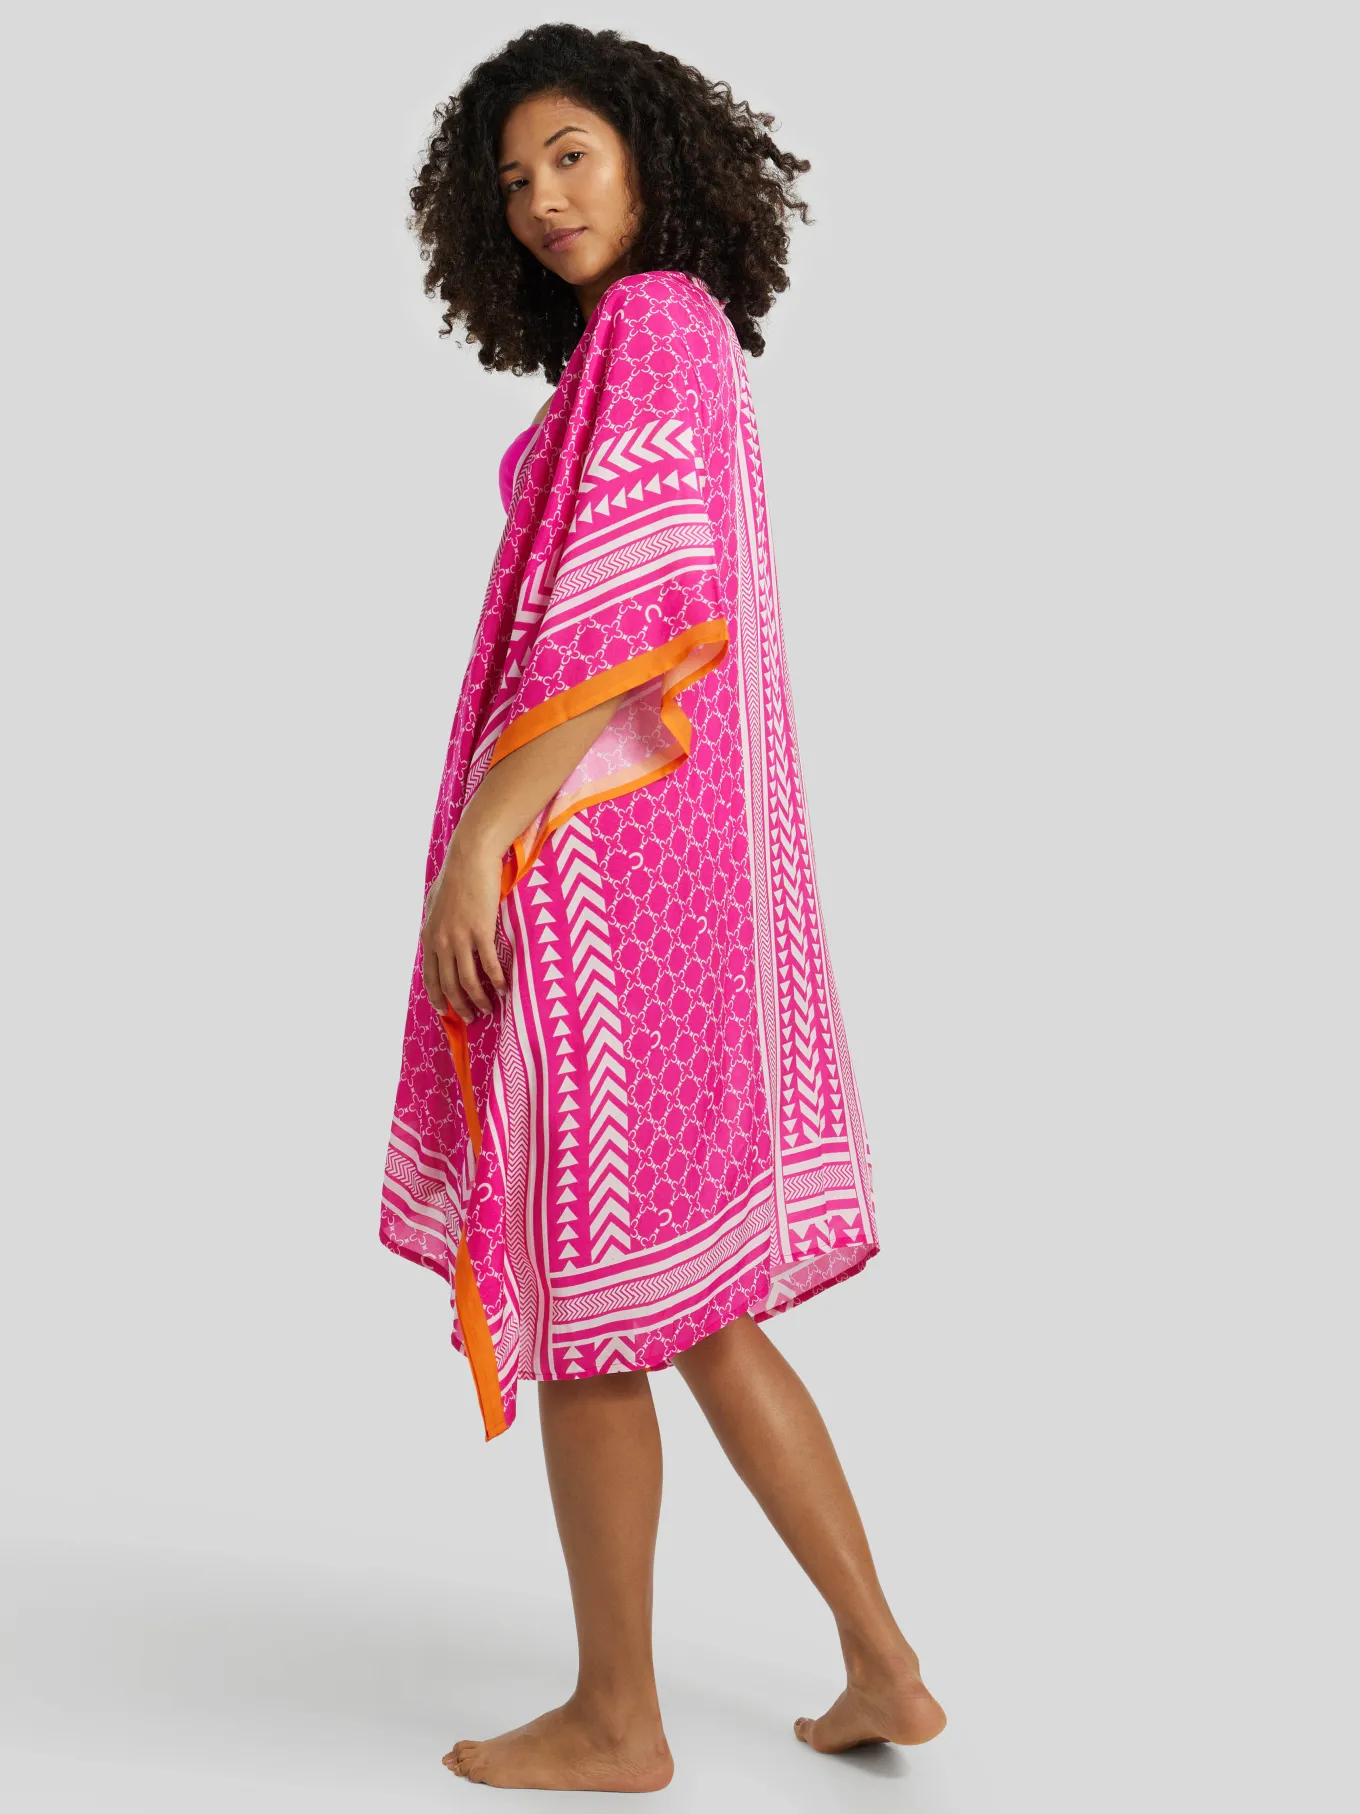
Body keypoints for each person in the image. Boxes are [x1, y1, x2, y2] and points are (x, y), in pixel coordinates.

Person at [380, 23, 946, 1792]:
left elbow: (630, 611)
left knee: (589, 1290)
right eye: (513, 179)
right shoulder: (667, 339)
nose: (544, 199)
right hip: (670, 876)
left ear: (648, 153)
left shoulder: (655, 322)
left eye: (571, 154)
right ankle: (883, 1663)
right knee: (687, 1300)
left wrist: (483, 840)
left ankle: (617, 1719)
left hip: (600, 875)